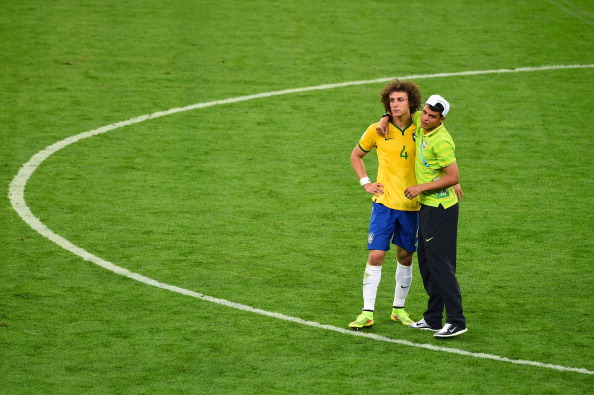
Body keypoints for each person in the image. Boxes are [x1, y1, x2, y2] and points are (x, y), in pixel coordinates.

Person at [378, 94, 467, 338]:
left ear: (442, 119)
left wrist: (420, 188)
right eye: (426, 113)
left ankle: (457, 320)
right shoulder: (419, 119)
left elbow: (453, 176)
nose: (426, 118)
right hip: (427, 207)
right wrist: (385, 118)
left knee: (441, 266)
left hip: (441, 210)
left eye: (432, 116)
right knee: (427, 264)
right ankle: (433, 318)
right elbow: (400, 114)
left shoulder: (441, 141)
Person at [348, 80, 422, 330]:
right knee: (376, 255)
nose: (395, 104)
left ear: (411, 102)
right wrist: (366, 182)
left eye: (400, 100)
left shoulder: (422, 127)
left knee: (405, 255)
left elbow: (439, 122)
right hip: (384, 204)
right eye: (391, 101)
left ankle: (398, 309)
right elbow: (356, 155)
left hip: (412, 206)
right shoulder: (377, 130)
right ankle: (366, 312)